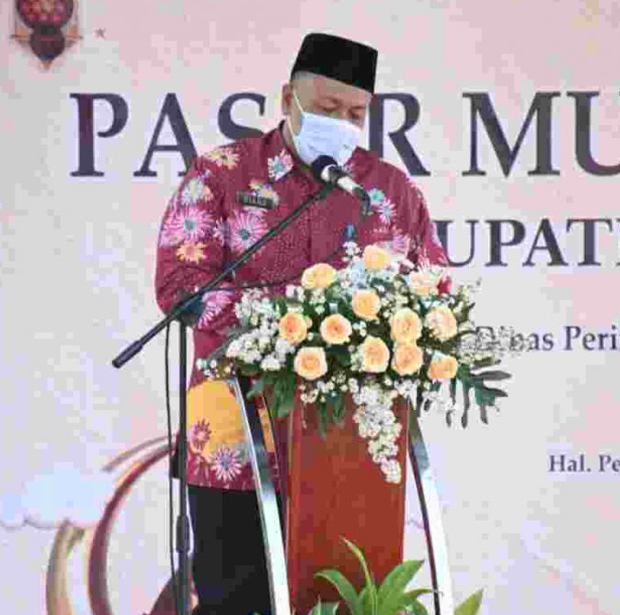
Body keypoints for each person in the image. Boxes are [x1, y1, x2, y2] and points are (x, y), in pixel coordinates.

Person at [154, 31, 447, 615]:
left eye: (355, 114)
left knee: (344, 601)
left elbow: (435, 293)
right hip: (235, 441)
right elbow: (180, 285)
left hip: (350, 451)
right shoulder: (222, 174)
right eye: (327, 107)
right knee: (233, 603)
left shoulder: (390, 191)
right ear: (288, 97)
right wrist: (297, 320)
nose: (341, 123)